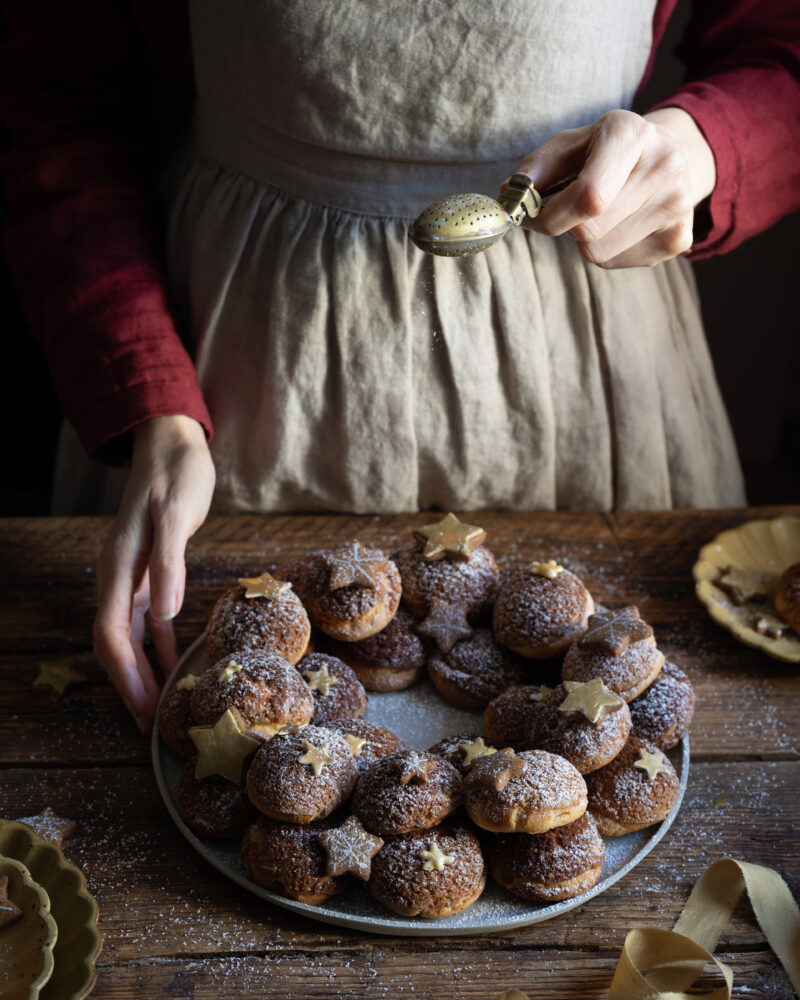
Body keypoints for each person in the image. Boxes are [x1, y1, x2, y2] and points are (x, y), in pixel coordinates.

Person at [2, 1, 799, 732]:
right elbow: (58, 105)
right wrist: (150, 396)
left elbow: (784, 50)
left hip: (585, 348)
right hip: (242, 354)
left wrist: (706, 148)